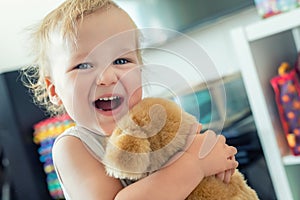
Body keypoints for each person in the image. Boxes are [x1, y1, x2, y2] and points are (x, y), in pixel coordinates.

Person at [22, 0, 238, 199]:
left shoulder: (152, 122)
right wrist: (194, 165)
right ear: (54, 90)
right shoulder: (74, 147)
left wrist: (215, 158)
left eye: (121, 60)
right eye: (84, 65)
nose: (107, 77)